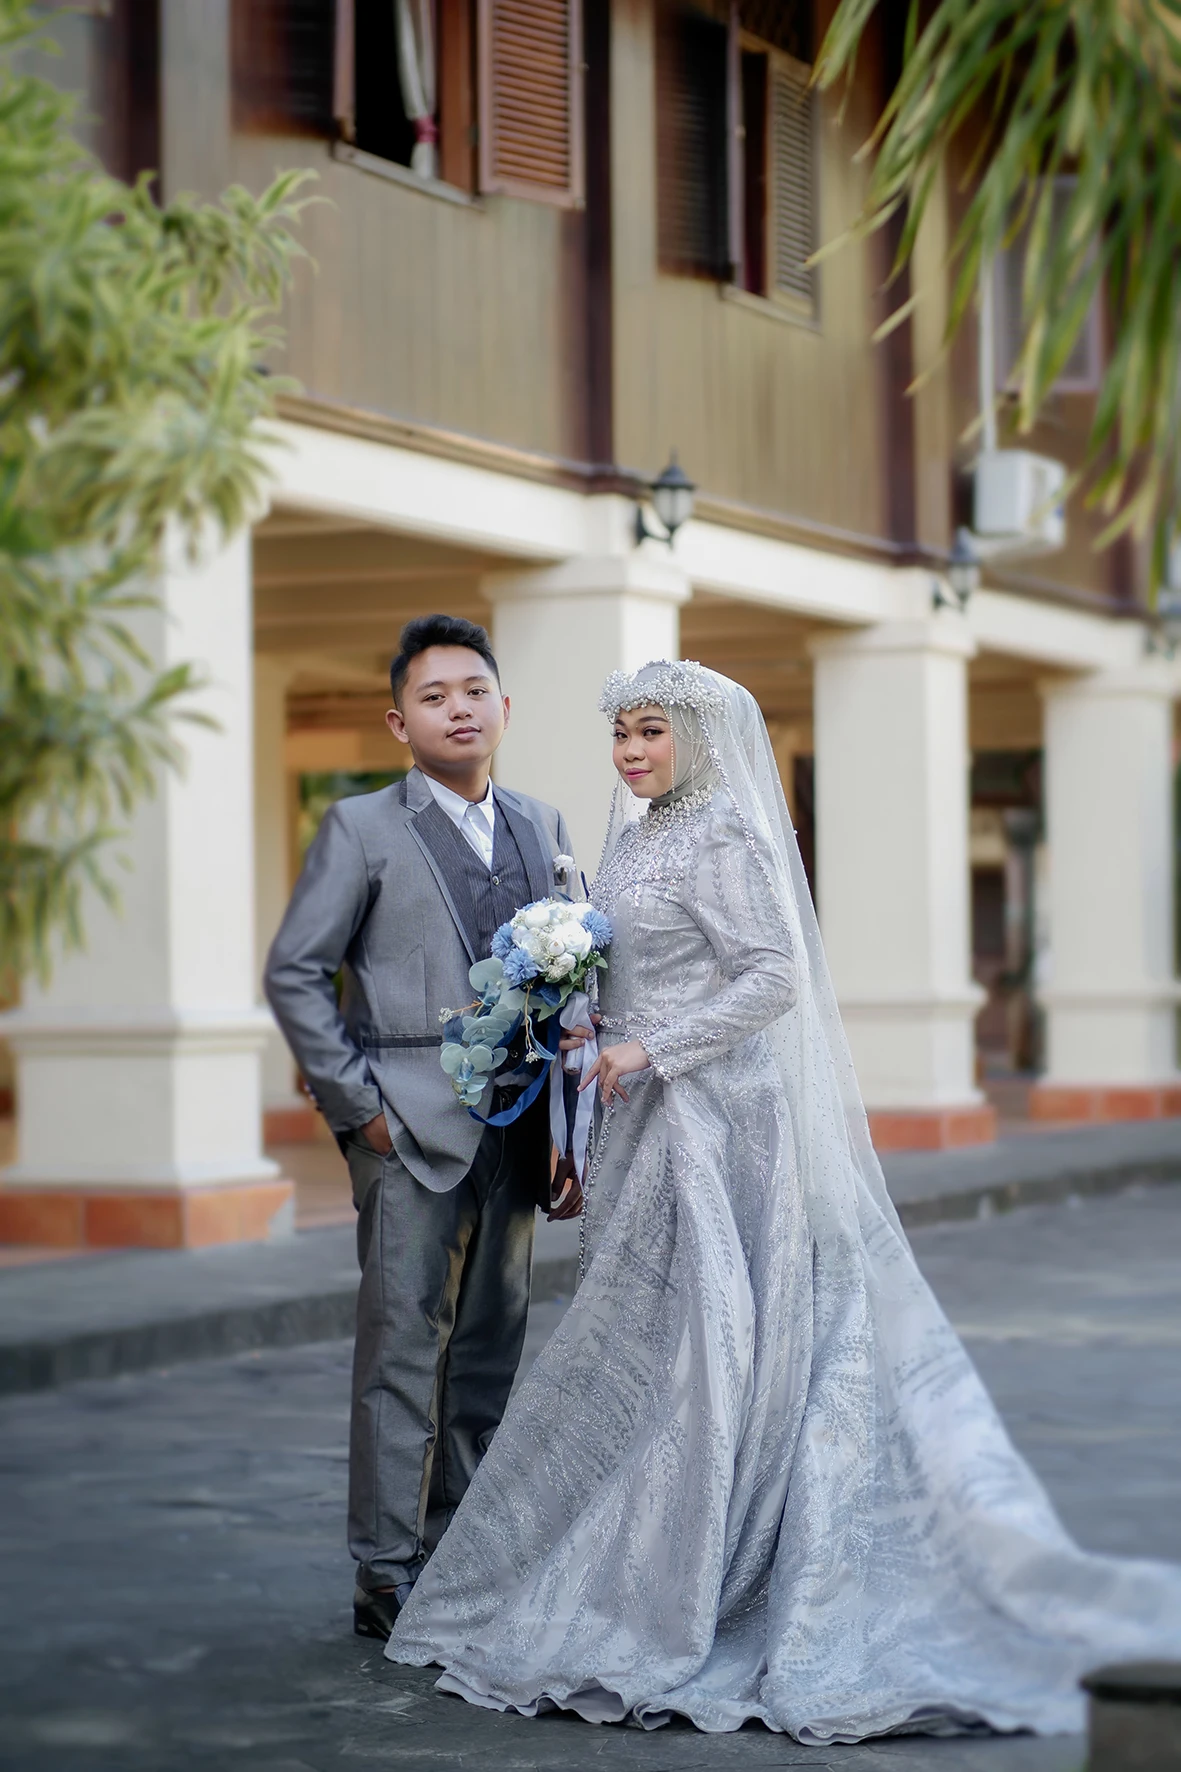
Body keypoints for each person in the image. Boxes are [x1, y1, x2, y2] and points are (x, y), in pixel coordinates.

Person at [387, 657, 1181, 1742]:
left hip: (718, 1121)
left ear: (699, 736)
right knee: (648, 1331)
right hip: (639, 1116)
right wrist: (573, 1001)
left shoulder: (727, 834)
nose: (630, 751)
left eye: (651, 730)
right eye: (621, 731)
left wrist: (652, 1047)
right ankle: (643, 1554)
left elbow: (772, 975)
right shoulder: (640, 831)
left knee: (711, 1333)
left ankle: (707, 1567)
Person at [265, 614, 578, 1644]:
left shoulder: (541, 823)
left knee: (488, 1350)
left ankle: (459, 1553)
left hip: (519, 1126)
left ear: (503, 707)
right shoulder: (360, 826)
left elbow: (571, 987)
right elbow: (296, 972)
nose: (458, 709)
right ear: (400, 723)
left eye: (474, 690)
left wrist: (568, 1128)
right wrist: (359, 1109)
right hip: (404, 1126)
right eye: (433, 696)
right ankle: (387, 1569)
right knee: (403, 1349)